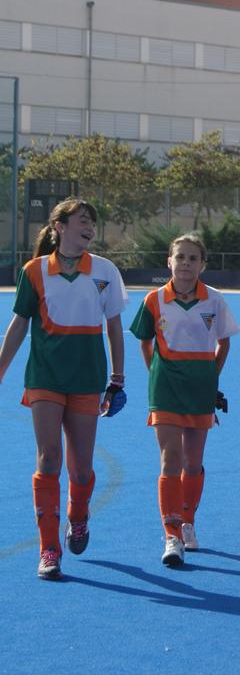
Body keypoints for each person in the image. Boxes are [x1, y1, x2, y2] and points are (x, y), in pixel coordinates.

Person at [0, 199, 127, 580]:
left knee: (82, 468)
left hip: (87, 379)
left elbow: (114, 327)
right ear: (59, 226)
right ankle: (49, 549)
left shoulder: (105, 270)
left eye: (92, 222)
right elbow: (19, 324)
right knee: (49, 459)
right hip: (45, 378)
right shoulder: (35, 270)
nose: (89, 227)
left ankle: (79, 515)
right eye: (82, 220)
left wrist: (117, 378)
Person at [130, 234, 239, 567]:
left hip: (200, 391)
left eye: (193, 258)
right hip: (164, 389)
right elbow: (145, 342)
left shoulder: (215, 300)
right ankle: (172, 534)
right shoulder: (153, 299)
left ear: (202, 264)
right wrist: (155, 372)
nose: (186, 263)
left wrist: (211, 376)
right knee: (170, 460)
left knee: (193, 462)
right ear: (169, 262)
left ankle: (188, 520)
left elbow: (224, 343)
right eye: (180, 257)